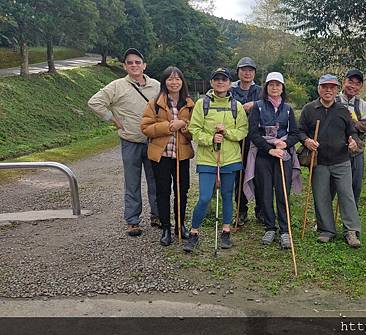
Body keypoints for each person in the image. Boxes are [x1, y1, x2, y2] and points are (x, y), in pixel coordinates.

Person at [88, 48, 160, 237]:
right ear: (124, 66)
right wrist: (112, 118)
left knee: (156, 181)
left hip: (154, 141)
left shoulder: (156, 86)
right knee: (132, 182)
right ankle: (132, 220)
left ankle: (158, 215)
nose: (134, 65)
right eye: (130, 62)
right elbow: (94, 102)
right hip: (130, 141)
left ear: (144, 65)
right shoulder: (117, 86)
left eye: (138, 62)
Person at [184, 68, 248, 252]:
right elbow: (194, 129)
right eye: (217, 79)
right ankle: (194, 232)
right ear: (211, 83)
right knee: (204, 197)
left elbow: (243, 130)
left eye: (224, 79)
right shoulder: (201, 104)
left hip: (230, 159)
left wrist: (226, 133)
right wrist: (210, 138)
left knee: (228, 196)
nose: (220, 82)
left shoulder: (237, 106)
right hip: (208, 159)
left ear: (229, 83)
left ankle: (226, 231)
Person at [298, 74, 363, 248]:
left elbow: (352, 132)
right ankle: (326, 230)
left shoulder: (343, 110)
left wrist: (353, 142)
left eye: (332, 87)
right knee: (321, 196)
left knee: (346, 195)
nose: (328, 90)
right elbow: (300, 131)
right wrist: (306, 141)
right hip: (319, 161)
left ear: (336, 90)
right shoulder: (309, 109)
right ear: (318, 88)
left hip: (341, 160)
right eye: (325, 87)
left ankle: (351, 231)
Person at [245, 72, 301, 249]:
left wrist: (284, 145)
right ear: (266, 87)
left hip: (283, 156)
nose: (274, 88)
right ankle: (270, 227)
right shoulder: (258, 107)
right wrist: (270, 149)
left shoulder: (288, 109)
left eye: (278, 85)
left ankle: (285, 230)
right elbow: (253, 133)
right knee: (265, 192)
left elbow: (295, 134)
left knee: (283, 192)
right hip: (264, 156)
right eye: (271, 85)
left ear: (282, 88)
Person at [140, 66, 194, 246]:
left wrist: (184, 126)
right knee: (163, 191)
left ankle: (180, 225)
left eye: (177, 79)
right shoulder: (154, 103)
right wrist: (168, 127)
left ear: (182, 82)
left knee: (182, 190)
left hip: (181, 155)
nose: (174, 82)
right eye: (170, 79)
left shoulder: (190, 104)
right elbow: (146, 128)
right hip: (161, 155)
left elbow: (195, 131)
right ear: (164, 82)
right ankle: (165, 227)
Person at [230, 57, 263, 227]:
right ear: (238, 72)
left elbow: (269, 103)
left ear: (254, 73)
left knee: (259, 175)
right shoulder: (231, 89)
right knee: (239, 174)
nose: (247, 73)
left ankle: (261, 210)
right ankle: (241, 210)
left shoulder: (260, 91)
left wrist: (255, 104)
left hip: (257, 138)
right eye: (243, 69)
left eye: (250, 70)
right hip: (236, 139)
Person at [336, 69, 366, 209]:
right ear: (344, 82)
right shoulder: (333, 99)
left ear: (360, 86)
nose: (353, 86)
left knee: (355, 186)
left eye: (357, 84)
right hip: (334, 150)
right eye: (350, 82)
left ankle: (351, 222)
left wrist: (353, 121)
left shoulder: (362, 104)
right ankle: (325, 221)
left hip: (356, 150)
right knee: (331, 186)